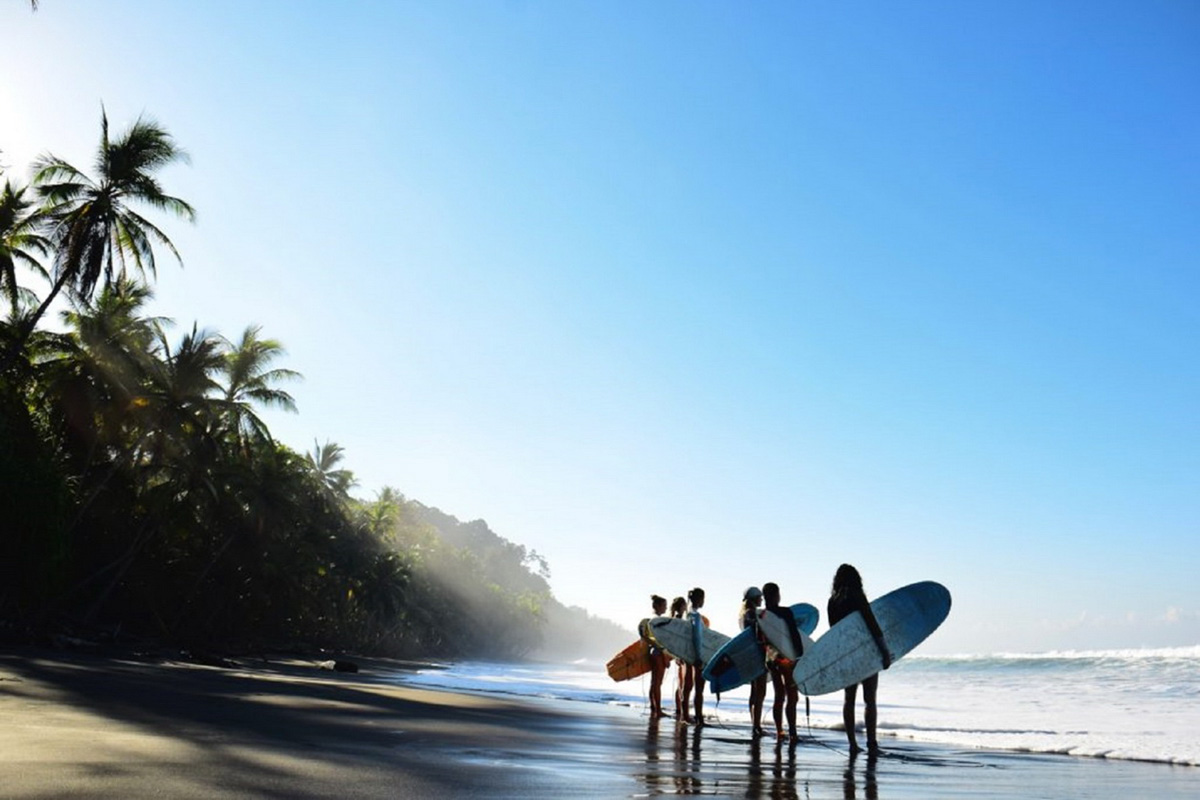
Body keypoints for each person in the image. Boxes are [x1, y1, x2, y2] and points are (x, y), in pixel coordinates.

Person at [828, 564, 892, 755]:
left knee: (849, 700)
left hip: (847, 654)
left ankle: (852, 744)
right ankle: (872, 743)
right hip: (866, 652)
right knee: (869, 700)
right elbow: (872, 624)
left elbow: (834, 633)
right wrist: (885, 651)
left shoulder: (832, 601)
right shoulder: (858, 596)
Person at [761, 581, 805, 742]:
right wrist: (800, 656)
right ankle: (792, 732)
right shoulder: (785, 612)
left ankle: (780, 731)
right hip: (787, 659)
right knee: (792, 696)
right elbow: (793, 635)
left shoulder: (762, 616)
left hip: (771, 660)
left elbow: (761, 641)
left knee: (779, 696)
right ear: (776, 595)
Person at [740, 586, 768, 737]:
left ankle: (755, 724)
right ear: (754, 598)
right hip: (758, 654)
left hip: (749, 654)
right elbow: (759, 634)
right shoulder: (752, 614)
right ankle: (757, 725)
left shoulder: (744, 614)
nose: (762, 599)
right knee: (760, 692)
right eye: (760, 597)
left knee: (754, 691)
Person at [640, 594, 670, 718]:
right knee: (657, 683)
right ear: (657, 606)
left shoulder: (647, 620)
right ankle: (657, 710)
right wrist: (665, 656)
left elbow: (644, 636)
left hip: (653, 653)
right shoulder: (657, 621)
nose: (666, 608)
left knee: (654, 682)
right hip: (658, 653)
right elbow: (660, 641)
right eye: (664, 606)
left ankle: (654, 707)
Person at [685, 587, 709, 726]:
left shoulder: (686, 614)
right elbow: (697, 637)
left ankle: (687, 715)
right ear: (699, 599)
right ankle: (699, 717)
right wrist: (699, 657)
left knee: (688, 686)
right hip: (696, 655)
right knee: (699, 688)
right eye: (703, 598)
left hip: (687, 653)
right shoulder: (695, 616)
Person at [669, 596, 688, 720]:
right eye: (684, 605)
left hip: (680, 654)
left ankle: (679, 708)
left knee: (681, 683)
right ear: (681, 606)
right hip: (681, 654)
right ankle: (680, 709)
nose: (686, 607)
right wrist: (677, 655)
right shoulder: (678, 619)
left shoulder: (677, 618)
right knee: (682, 683)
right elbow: (676, 639)